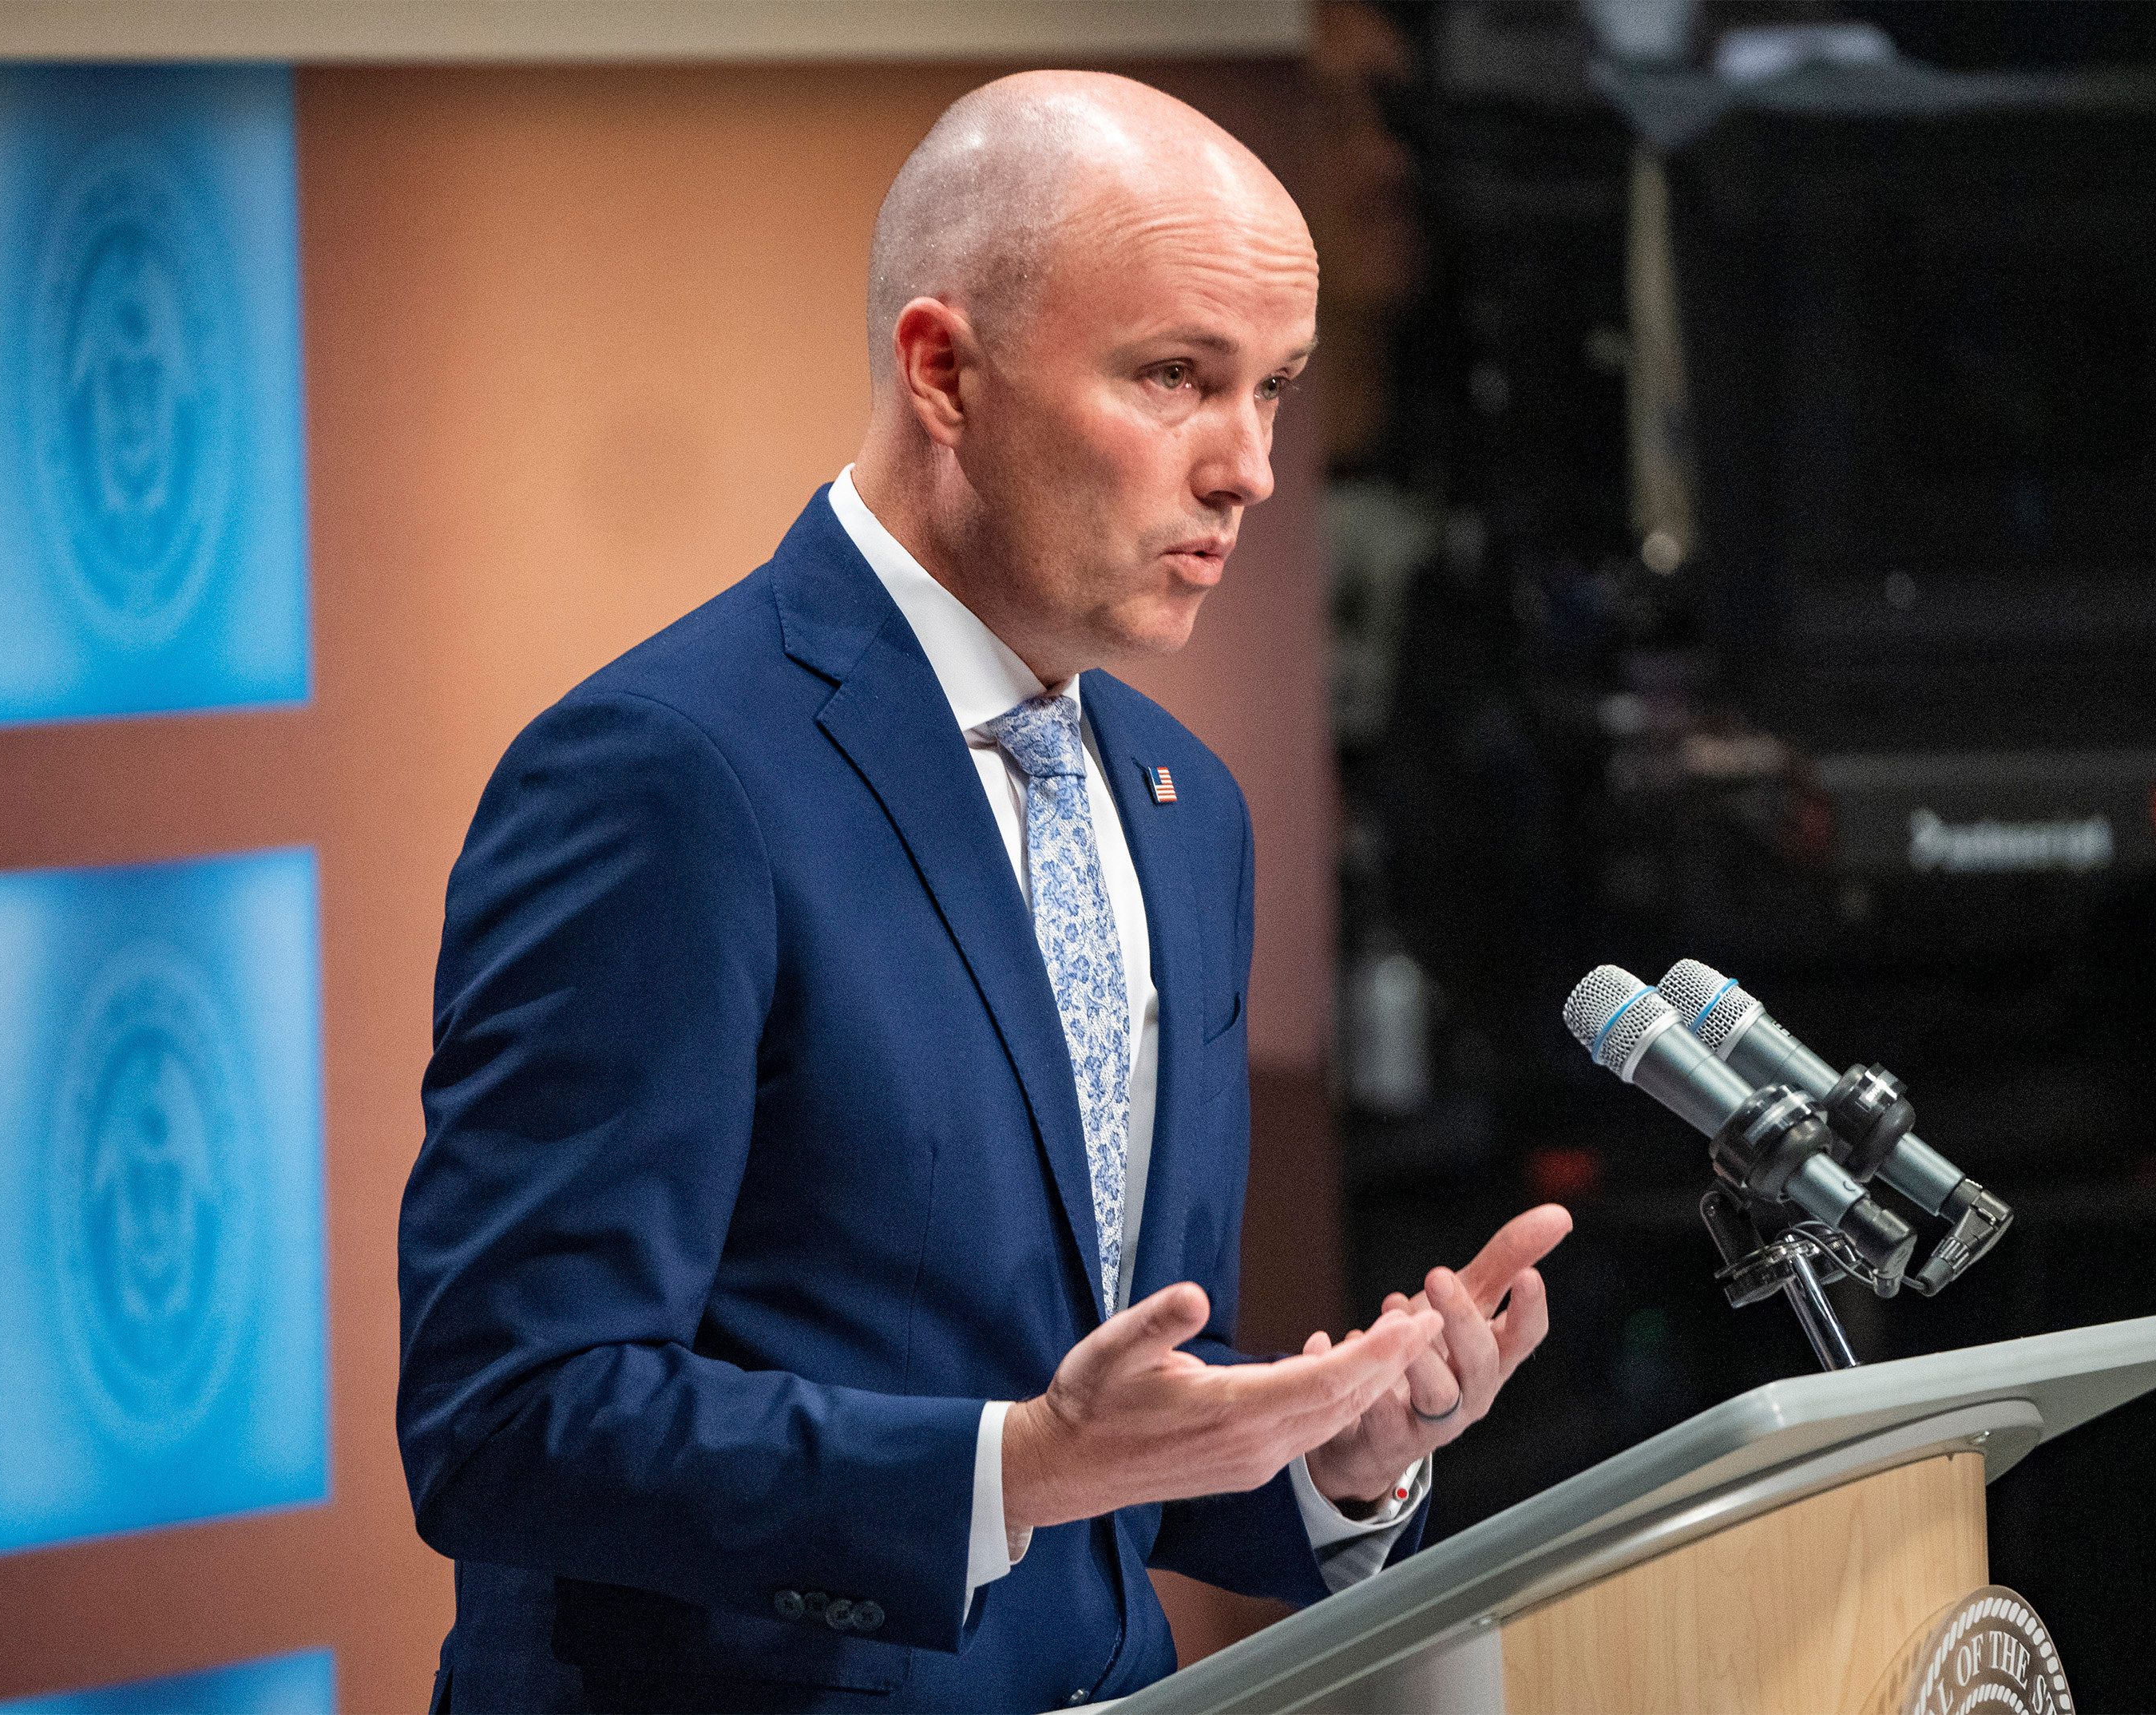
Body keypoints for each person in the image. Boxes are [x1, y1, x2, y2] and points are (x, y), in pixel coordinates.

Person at [397, 70, 1571, 1714]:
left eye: (1276, 391)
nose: (1248, 470)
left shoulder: (1184, 808)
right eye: (1176, 377)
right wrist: (1008, 1469)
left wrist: (1333, 1458)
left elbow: (1117, 1419)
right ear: (945, 369)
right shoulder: (666, 777)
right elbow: (508, 1419)